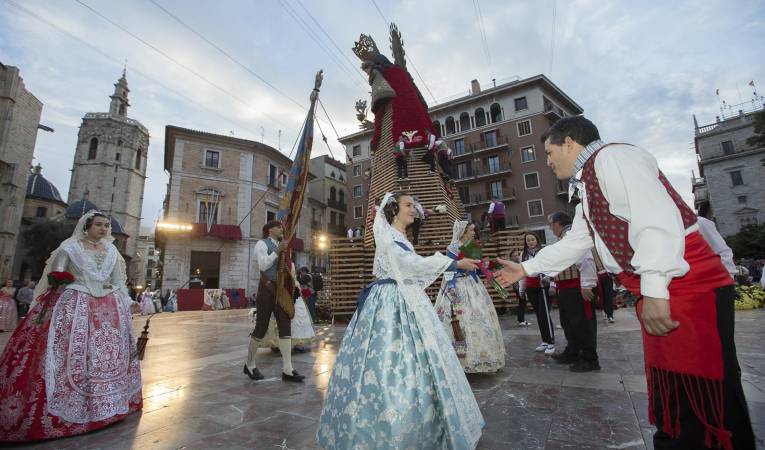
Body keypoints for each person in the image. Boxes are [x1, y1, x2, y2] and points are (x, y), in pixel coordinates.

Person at [494, 116, 754, 450]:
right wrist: (526, 268)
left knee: (701, 388)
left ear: (570, 143)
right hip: (668, 287)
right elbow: (577, 242)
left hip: (688, 285)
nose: (546, 161)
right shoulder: (589, 183)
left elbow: (656, 217)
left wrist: (656, 288)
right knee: (676, 385)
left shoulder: (613, 158)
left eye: (548, 152)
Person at [317, 192, 484, 449]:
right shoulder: (386, 234)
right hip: (389, 303)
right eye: (408, 205)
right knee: (387, 361)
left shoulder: (400, 236)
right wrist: (453, 264)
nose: (414, 209)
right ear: (393, 210)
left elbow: (412, 271)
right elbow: (407, 264)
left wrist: (450, 262)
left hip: (405, 297)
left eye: (415, 206)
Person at [0, 211, 141, 442]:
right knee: (67, 354)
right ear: (87, 226)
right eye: (99, 225)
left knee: (104, 356)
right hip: (75, 303)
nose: (104, 229)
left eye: (106, 225)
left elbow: (118, 282)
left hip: (109, 308)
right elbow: (57, 276)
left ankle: (109, 404)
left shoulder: (112, 251)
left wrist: (128, 301)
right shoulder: (70, 247)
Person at [434, 220, 505, 373]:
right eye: (471, 230)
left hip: (473, 285)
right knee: (460, 321)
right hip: (458, 285)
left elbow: (477, 267)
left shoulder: (473, 246)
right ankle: (461, 361)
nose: (474, 233)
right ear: (463, 231)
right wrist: (452, 288)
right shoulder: (452, 247)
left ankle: (482, 358)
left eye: (474, 230)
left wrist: (489, 268)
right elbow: (449, 268)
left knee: (481, 318)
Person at [243, 220, 304, 383]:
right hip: (267, 289)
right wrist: (278, 250)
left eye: (281, 227)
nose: (281, 228)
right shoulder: (261, 244)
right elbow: (263, 265)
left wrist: (294, 284)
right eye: (278, 227)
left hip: (281, 291)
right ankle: (249, 364)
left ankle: (288, 369)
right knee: (261, 328)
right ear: (269, 230)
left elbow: (288, 269)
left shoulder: (283, 247)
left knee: (285, 326)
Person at [547, 211, 600, 372]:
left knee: (582, 323)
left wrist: (587, 285)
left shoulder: (573, 236)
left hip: (577, 288)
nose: (550, 228)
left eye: (550, 224)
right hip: (566, 288)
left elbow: (586, 260)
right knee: (569, 323)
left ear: (557, 223)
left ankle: (590, 359)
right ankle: (573, 351)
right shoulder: (565, 237)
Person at [521, 232, 555, 355]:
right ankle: (545, 340)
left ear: (537, 240)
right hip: (531, 287)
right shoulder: (523, 254)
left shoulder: (543, 252)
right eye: (528, 240)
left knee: (544, 313)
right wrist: (522, 289)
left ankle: (551, 342)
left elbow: (552, 268)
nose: (530, 242)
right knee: (539, 315)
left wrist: (552, 284)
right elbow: (522, 273)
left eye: (532, 239)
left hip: (543, 285)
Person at [509, 249, 531, 326]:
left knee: (522, 302)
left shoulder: (520, 263)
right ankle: (521, 320)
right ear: (511, 258)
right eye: (514, 256)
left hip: (522, 285)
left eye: (517, 255)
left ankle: (521, 319)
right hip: (517, 286)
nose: (517, 257)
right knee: (522, 302)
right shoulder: (512, 265)